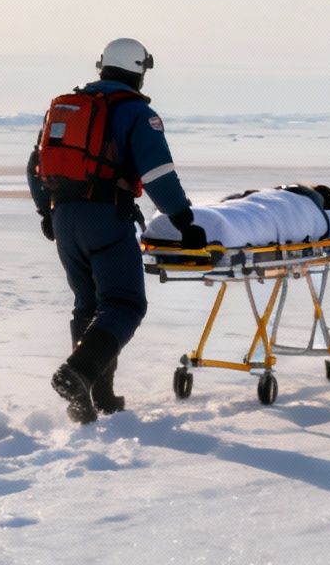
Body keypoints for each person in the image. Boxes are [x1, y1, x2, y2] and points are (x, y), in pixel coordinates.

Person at [27, 38, 204, 423]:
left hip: (64, 217)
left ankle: (96, 397)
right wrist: (183, 220)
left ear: (102, 66)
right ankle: (79, 374)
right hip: (105, 217)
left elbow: (35, 165)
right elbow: (158, 173)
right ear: (139, 70)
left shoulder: (68, 107)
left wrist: (46, 211)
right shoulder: (133, 112)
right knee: (124, 304)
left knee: (87, 305)